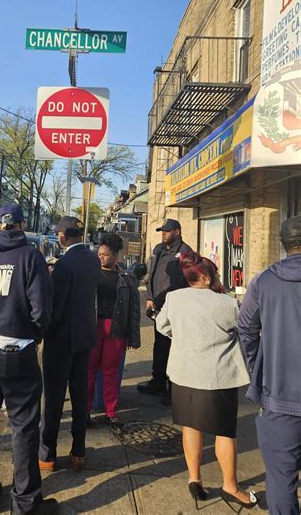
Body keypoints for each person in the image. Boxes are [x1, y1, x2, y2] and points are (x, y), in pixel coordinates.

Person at [0, 203, 58, 515]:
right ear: (20, 225)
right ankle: (27, 502)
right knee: (24, 426)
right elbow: (42, 310)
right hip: (14, 349)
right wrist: (33, 333)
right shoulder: (30, 256)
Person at [156, 252, 258, 510]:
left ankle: (194, 478)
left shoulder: (174, 298)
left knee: (191, 427)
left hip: (183, 374)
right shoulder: (226, 304)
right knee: (224, 432)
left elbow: (162, 326)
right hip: (217, 377)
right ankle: (230, 486)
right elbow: (245, 329)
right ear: (204, 276)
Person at [238, 216, 301, 515]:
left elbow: (246, 329)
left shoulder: (264, 280)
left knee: (281, 482)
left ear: (283, 244)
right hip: (279, 397)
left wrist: (258, 372)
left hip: (280, 398)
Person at [39, 216, 101, 472]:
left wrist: (45, 331)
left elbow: (57, 306)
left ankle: (47, 454)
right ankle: (78, 451)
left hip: (61, 339)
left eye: (58, 233)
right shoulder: (93, 260)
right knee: (79, 394)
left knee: (53, 398)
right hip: (85, 337)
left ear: (64, 236)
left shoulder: (64, 264)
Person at [86, 233, 141, 432]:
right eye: (99, 253)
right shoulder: (90, 275)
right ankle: (85, 411)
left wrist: (135, 336)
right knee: (89, 372)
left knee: (110, 372)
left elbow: (134, 308)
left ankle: (111, 412)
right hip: (94, 328)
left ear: (115, 256)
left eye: (105, 254)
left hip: (117, 330)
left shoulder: (127, 278)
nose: (101, 257)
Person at [137, 218, 192, 398]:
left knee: (175, 348)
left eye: (167, 231)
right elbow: (152, 275)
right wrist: (150, 297)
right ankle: (157, 381)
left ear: (177, 232)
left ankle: (173, 388)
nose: (163, 234)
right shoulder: (159, 250)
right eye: (162, 231)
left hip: (177, 308)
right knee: (159, 346)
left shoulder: (185, 252)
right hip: (159, 306)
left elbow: (189, 280)